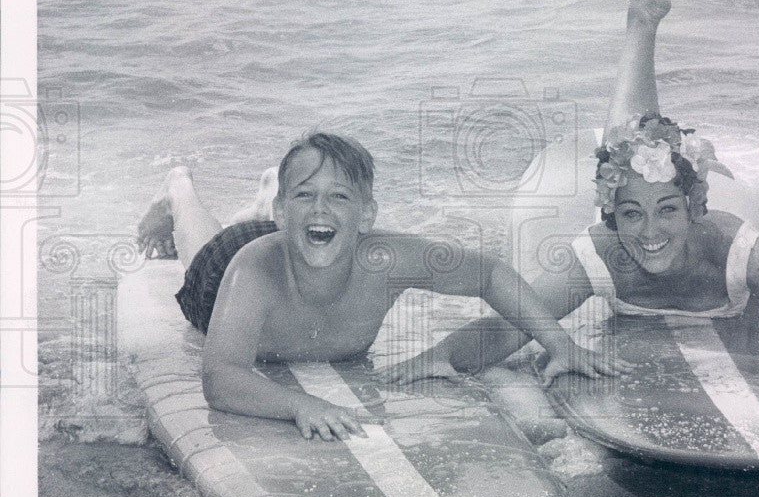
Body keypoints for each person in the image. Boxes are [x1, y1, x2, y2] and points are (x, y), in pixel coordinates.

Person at [387, 0, 759, 395]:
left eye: (668, 212)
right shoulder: (601, 253)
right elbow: (508, 326)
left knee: (634, 142)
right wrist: (441, 356)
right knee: (628, 145)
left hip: (723, 195)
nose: (649, 233)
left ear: (691, 209)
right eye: (630, 216)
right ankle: (640, 21)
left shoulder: (735, 248)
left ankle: (640, 24)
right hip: (656, 185)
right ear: (611, 219)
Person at [136, 132, 627, 442]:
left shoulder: (385, 259)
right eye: (304, 195)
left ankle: (277, 186)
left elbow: (490, 273)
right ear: (285, 214)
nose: (321, 208)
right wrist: (296, 404)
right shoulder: (253, 273)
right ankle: (181, 190)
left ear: (367, 215)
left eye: (339, 196)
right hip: (229, 266)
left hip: (295, 237)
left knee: (314, 219)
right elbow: (220, 378)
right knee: (199, 250)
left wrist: (558, 343)